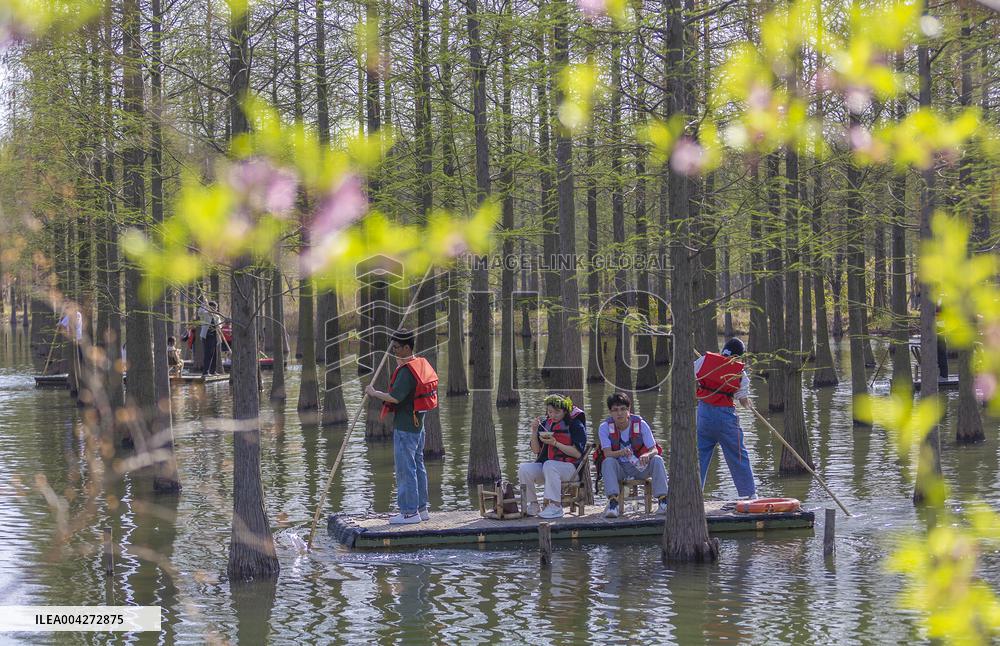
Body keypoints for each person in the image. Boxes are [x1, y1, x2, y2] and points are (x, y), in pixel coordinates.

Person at [365, 329, 439, 525]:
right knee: (417, 466)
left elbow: (395, 397)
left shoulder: (407, 372)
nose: (394, 351)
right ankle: (422, 509)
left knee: (405, 469)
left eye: (397, 348)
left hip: (406, 428)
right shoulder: (419, 365)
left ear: (407, 347)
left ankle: (409, 512)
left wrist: (374, 393)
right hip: (418, 427)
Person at [695, 337, 756, 498]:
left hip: (703, 416)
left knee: (699, 456)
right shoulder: (740, 372)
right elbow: (742, 399)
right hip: (725, 418)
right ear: (739, 356)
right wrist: (748, 404)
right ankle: (749, 495)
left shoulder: (704, 360)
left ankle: (693, 494)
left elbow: (692, 375)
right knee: (738, 454)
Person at [598, 392, 669, 518]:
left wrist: (647, 454)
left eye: (623, 409)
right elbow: (607, 453)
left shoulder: (641, 424)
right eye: (615, 410)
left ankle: (663, 501)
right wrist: (621, 452)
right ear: (610, 412)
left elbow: (655, 450)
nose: (619, 413)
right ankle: (613, 503)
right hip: (620, 468)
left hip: (640, 467)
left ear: (629, 410)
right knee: (607, 461)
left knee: (657, 459)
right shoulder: (604, 427)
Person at [517, 394, 588, 519]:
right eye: (550, 412)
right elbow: (536, 450)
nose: (553, 415)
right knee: (524, 468)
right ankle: (533, 504)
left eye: (557, 412)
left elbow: (577, 453)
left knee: (550, 465)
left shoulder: (576, 425)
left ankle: (555, 507)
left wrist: (555, 443)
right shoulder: (545, 424)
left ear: (565, 411)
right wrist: (534, 431)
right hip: (549, 469)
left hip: (571, 470)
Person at [198, 300, 221, 377]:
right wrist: (203, 304)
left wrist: (219, 326)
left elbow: (219, 325)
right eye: (213, 308)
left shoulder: (216, 316)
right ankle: (205, 372)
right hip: (206, 336)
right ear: (209, 308)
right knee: (208, 353)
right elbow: (200, 312)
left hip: (214, 336)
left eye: (216, 308)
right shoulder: (205, 315)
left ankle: (213, 371)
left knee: (214, 354)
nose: (215, 310)